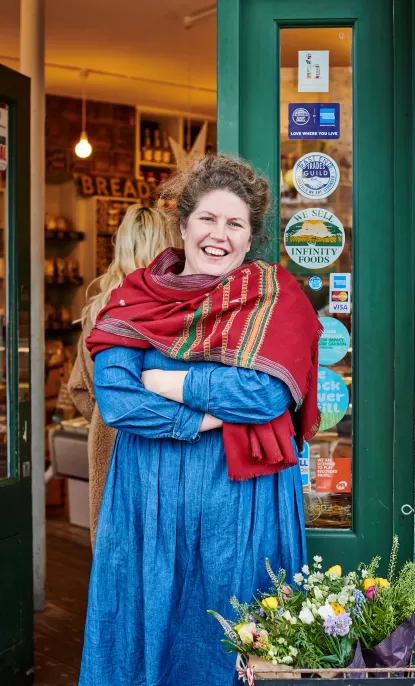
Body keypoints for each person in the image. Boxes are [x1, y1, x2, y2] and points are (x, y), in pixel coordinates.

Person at [79, 154, 322, 686]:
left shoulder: (274, 299)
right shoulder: (134, 298)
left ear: (250, 235)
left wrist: (169, 381)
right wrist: (211, 416)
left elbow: (265, 395)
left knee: (235, 635)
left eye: (235, 223)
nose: (219, 235)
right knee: (146, 628)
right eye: (208, 219)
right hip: (147, 501)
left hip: (242, 508)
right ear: (184, 224)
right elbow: (117, 398)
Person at [68, 204, 181, 548]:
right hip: (167, 445)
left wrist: (108, 418)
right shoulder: (176, 308)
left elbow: (79, 389)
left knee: (118, 551)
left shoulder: (98, 309)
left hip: (110, 446)